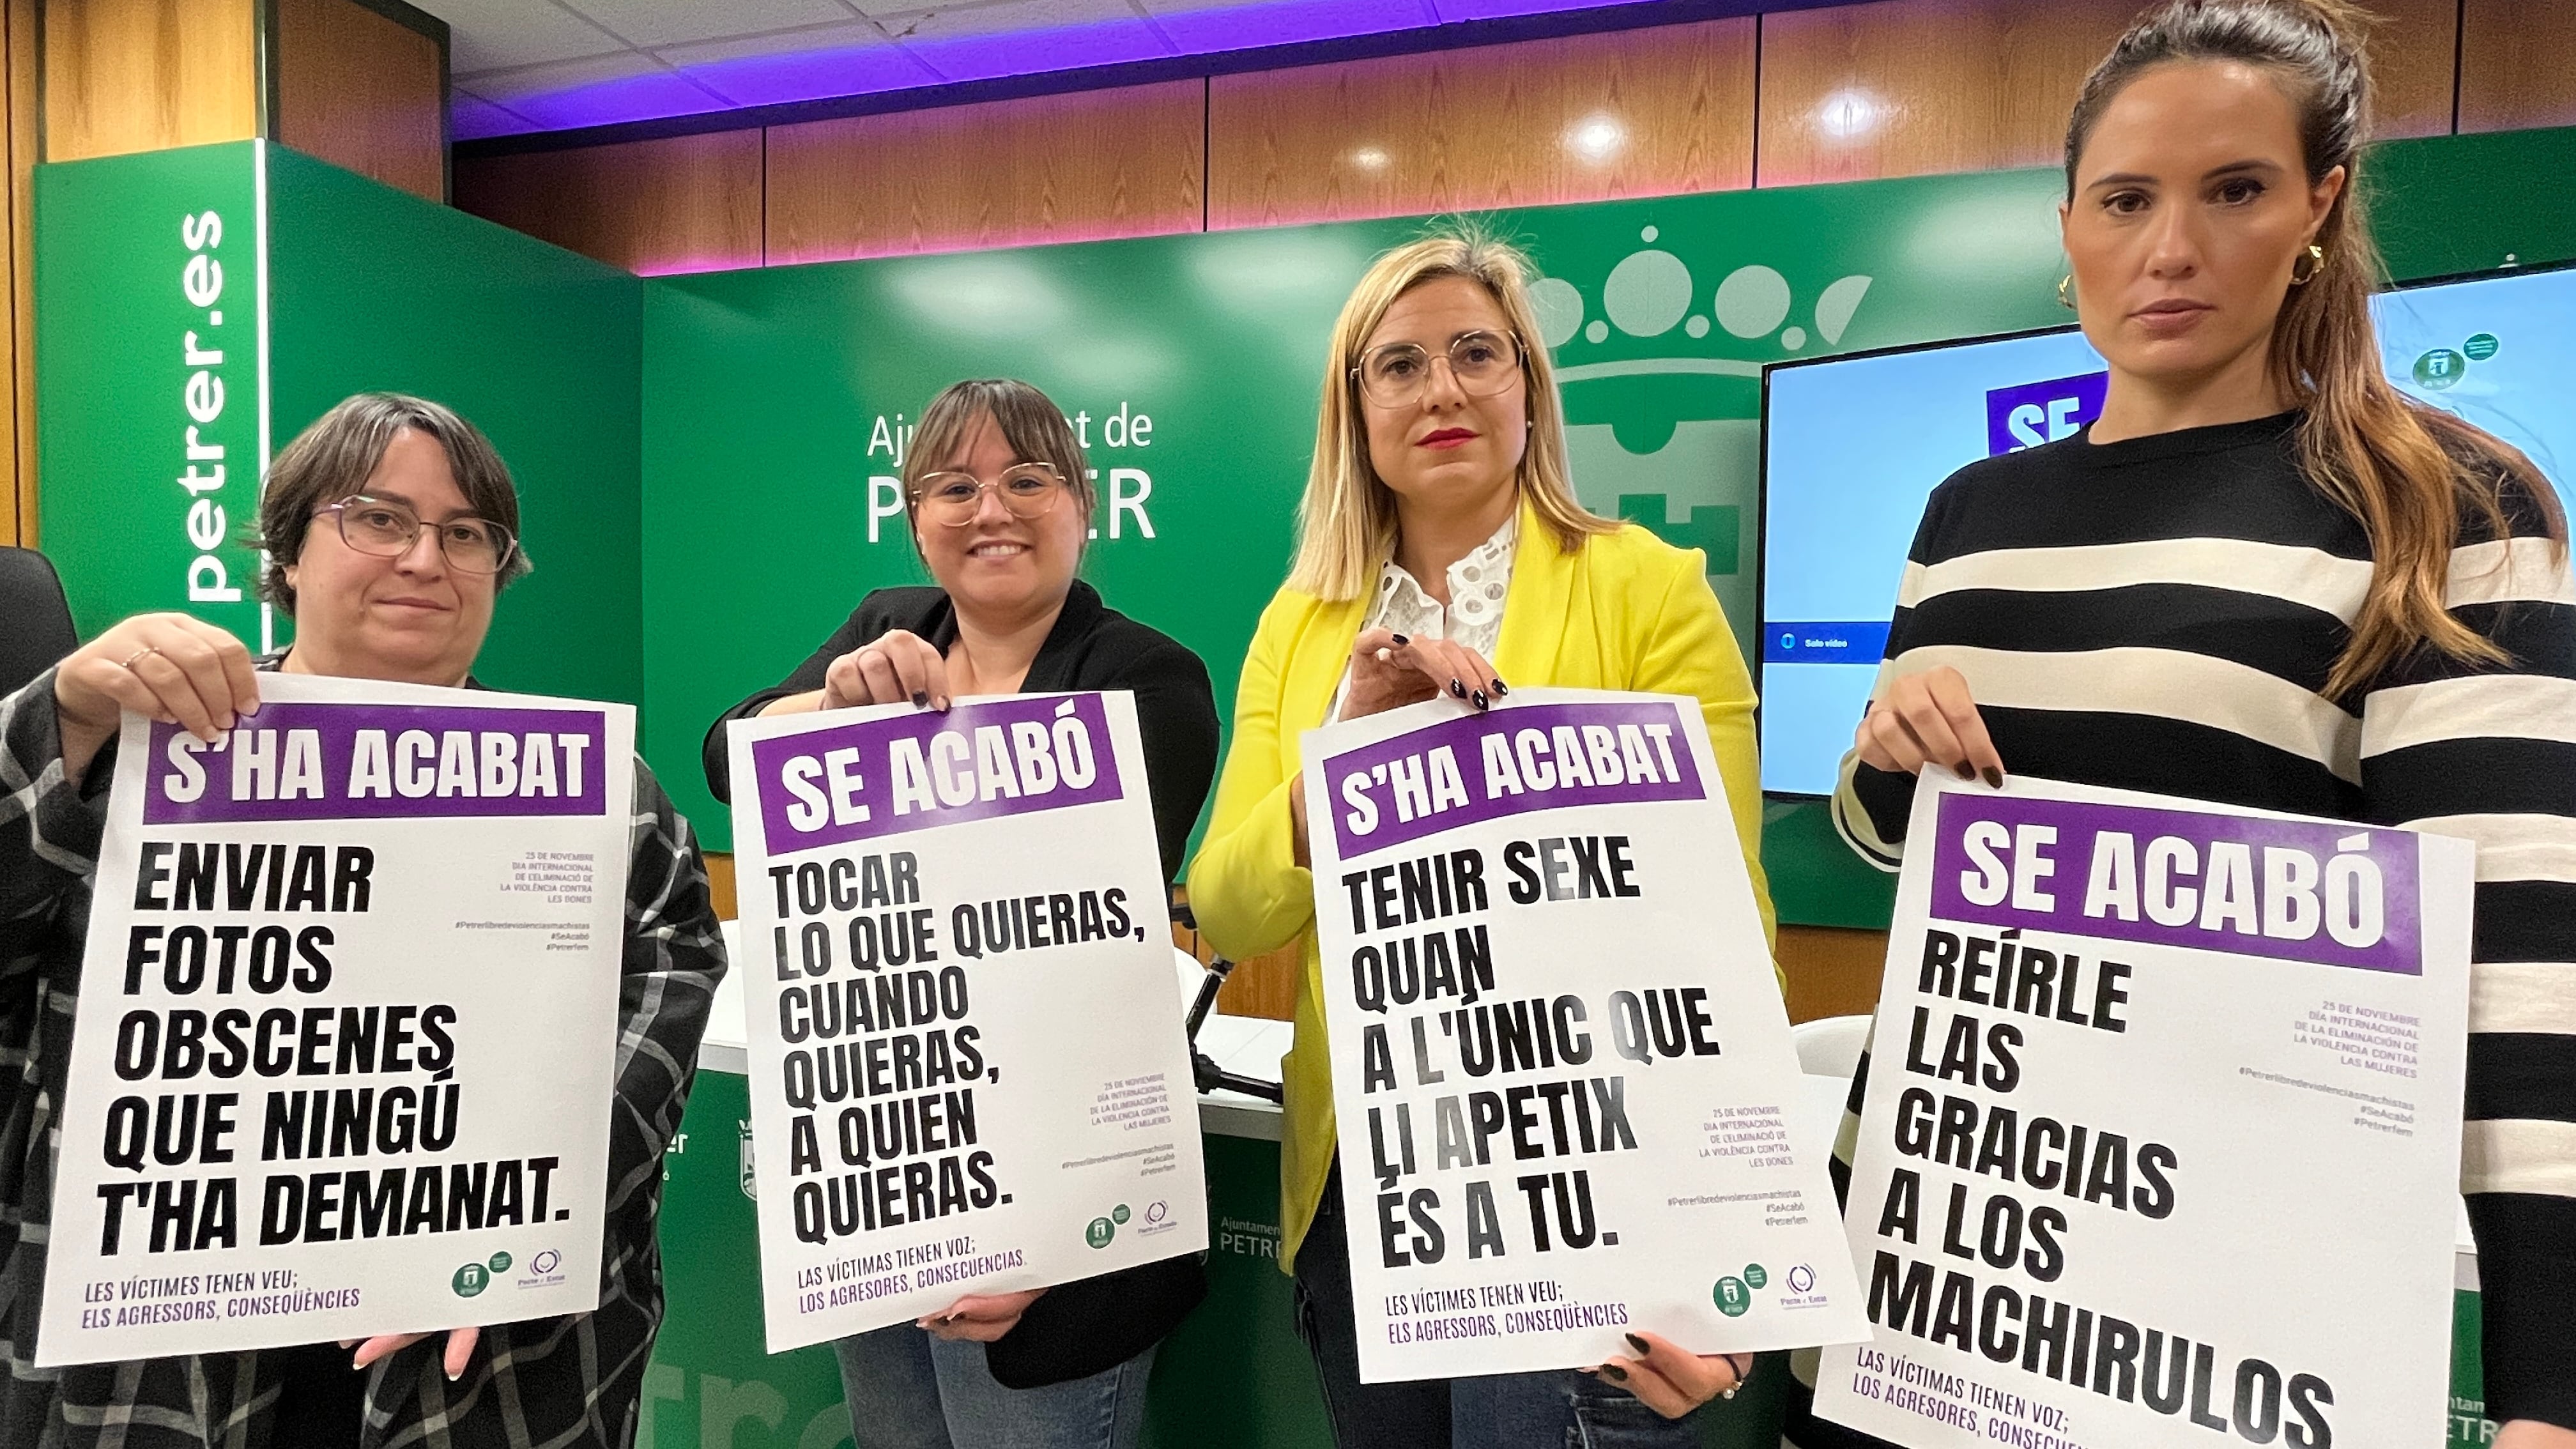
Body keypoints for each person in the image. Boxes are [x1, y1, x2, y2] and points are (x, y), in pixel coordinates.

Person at [1789, 3, 2576, 1445]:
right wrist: (1886, 757)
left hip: (2236, 1315)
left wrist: (2551, 1395)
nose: (2171, 250)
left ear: (2319, 210)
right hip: (1939, 1273)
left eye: (2236, 191)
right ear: (2070, 221)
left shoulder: (2445, 505)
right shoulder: (1971, 514)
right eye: (2128, 200)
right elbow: (1923, 852)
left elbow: (2518, 965)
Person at [0, 392, 726, 1446]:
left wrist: (525, 1229)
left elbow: (660, 1004)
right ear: (289, 548)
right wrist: (62, 713)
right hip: (157, 1370)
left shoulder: (601, 793)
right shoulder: (135, 748)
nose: (425, 560)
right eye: (378, 518)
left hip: (496, 1364)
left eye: (465, 533)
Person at [1185, 232, 1777, 1448]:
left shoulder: (1651, 588)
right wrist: (1337, 766)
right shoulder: (1300, 628)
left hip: (1589, 1172)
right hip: (1366, 1188)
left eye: (1475, 354)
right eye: (1398, 365)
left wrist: (1735, 1240)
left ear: (1528, 387)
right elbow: (1230, 912)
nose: (1442, 390)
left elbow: (1727, 916)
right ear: (1357, 410)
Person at [702, 377, 1220, 1449]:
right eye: (955, 487)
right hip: (886, 1178)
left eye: (1027, 479)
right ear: (916, 521)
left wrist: (1029, 1238)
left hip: (1061, 1215)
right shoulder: (889, 626)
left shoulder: (1147, 677)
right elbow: (726, 755)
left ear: (1084, 504)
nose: (992, 510)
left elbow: (1073, 945)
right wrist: (828, 704)